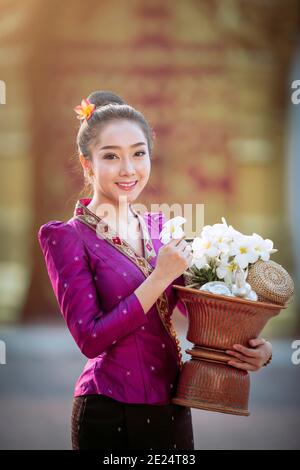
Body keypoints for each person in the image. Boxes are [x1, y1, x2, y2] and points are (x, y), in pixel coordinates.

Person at [38, 90, 273, 451]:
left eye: (138, 153)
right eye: (111, 156)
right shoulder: (68, 238)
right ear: (87, 163)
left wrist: (252, 348)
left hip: (171, 408)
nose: (129, 169)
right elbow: (90, 339)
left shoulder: (159, 227)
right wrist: (159, 276)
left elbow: (201, 312)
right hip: (109, 411)